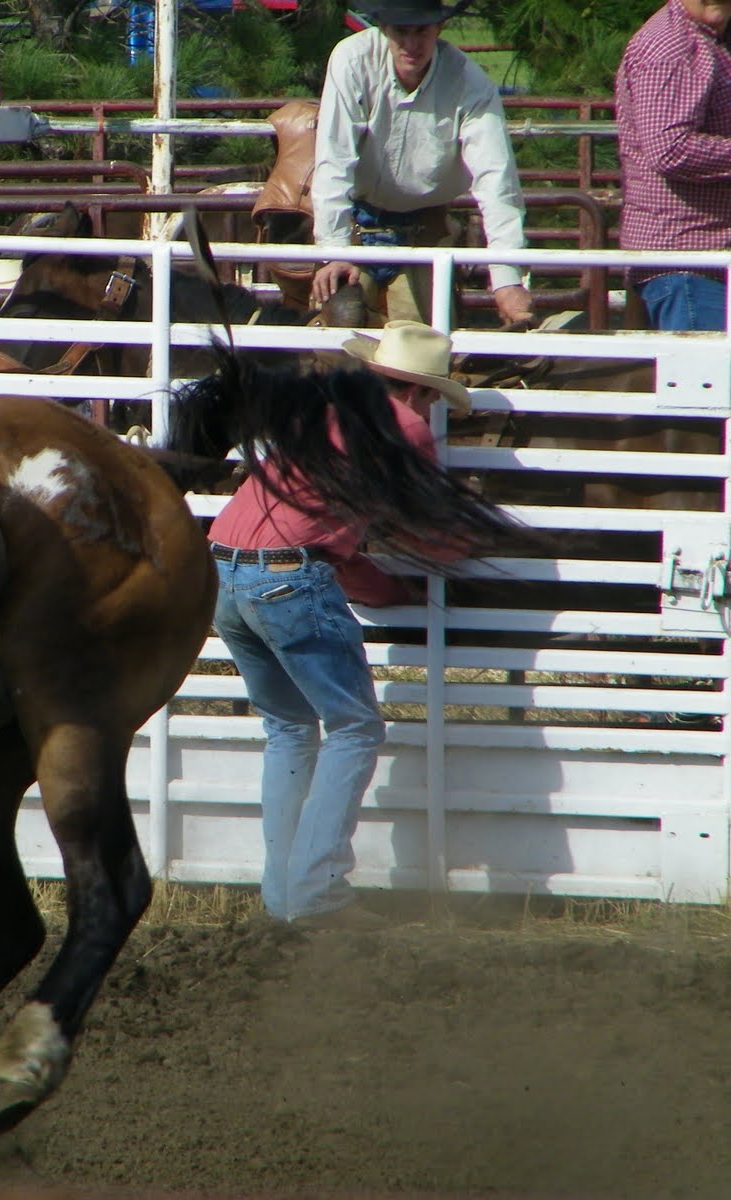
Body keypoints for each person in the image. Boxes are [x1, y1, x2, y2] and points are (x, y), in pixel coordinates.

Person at [208, 320, 472, 930]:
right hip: (289, 581)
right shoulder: (403, 428)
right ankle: (315, 894)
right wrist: (463, 555)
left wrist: (376, 585)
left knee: (289, 729)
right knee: (353, 728)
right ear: (424, 392)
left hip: (225, 571)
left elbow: (332, 535)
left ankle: (287, 896)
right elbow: (418, 526)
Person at [308, 0, 536, 329]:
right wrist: (335, 249)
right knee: (341, 332)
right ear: (384, 28)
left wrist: (505, 276)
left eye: (422, 31)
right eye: (402, 31)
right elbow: (334, 160)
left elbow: (496, 181)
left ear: (438, 29)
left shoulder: (469, 82)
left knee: (421, 350)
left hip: (424, 230)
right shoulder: (353, 61)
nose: (412, 45)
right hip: (355, 222)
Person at [615, 0, 731, 332]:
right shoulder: (670, 46)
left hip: (704, 258)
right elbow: (670, 148)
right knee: (707, 378)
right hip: (688, 258)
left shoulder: (709, 39)